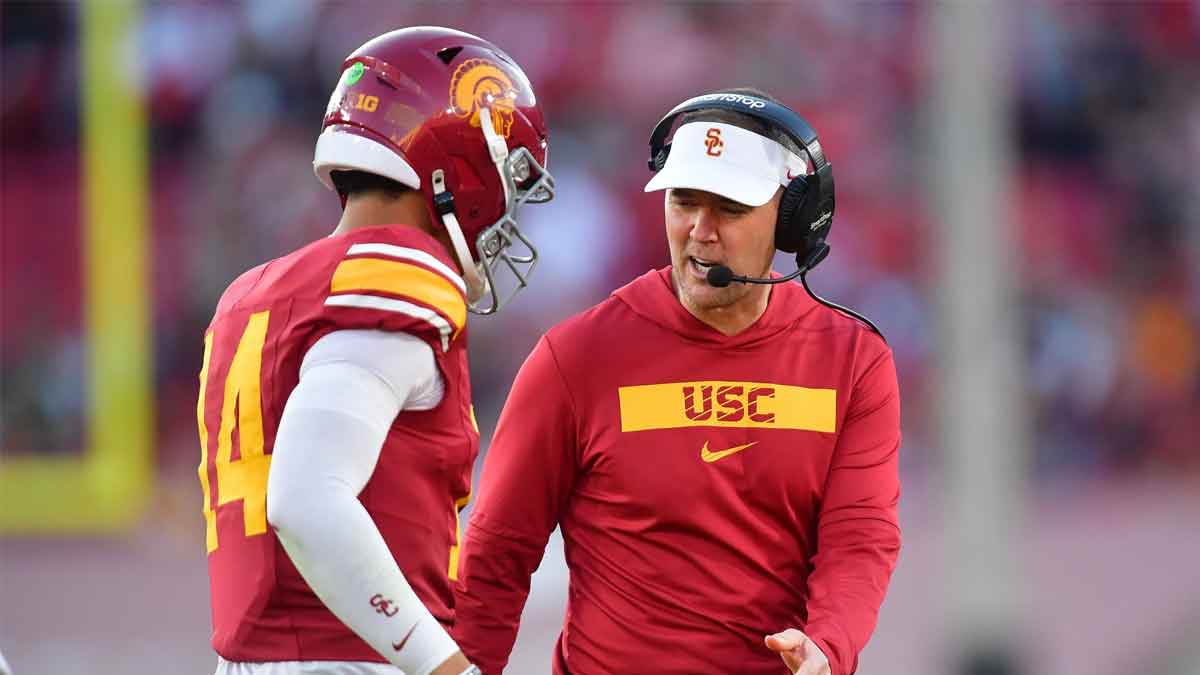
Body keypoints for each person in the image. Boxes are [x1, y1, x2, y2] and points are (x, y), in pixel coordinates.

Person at [453, 89, 901, 675]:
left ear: (791, 219)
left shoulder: (853, 360)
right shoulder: (576, 358)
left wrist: (829, 646)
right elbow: (495, 558)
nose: (699, 230)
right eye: (684, 201)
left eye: (730, 209)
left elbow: (859, 536)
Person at [195, 26, 554, 675]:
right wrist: (444, 665)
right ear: (458, 166)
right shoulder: (394, 275)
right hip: (353, 655)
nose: (507, 208)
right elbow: (305, 499)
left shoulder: (256, 292)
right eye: (507, 178)